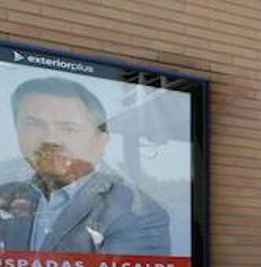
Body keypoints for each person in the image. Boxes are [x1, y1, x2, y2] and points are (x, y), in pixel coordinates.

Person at [0, 76, 170, 255]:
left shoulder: (138, 212)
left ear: (100, 141)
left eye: (68, 128)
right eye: (33, 124)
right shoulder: (6, 197)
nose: (49, 139)